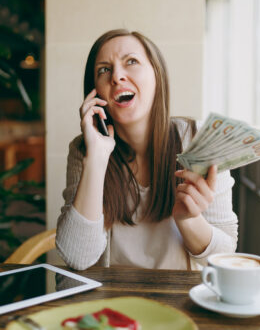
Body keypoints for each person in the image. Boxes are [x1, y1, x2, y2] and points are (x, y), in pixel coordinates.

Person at [56, 29, 238, 270]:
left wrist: (190, 220)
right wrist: (97, 158)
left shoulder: (200, 140)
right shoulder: (85, 150)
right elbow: (76, 257)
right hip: (113, 300)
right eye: (104, 70)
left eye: (131, 62)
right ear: (96, 93)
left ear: (157, 75)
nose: (117, 76)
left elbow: (225, 256)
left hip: (180, 301)